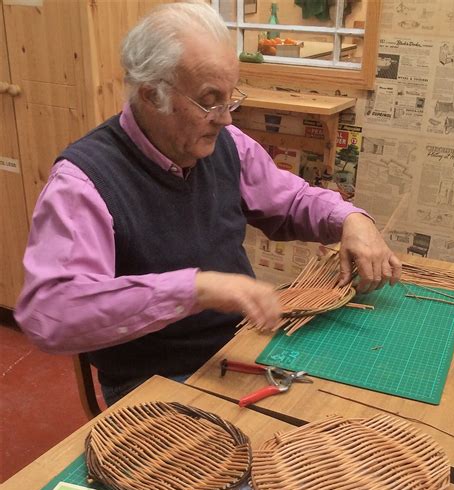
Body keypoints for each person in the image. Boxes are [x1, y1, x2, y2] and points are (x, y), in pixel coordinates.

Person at [14, 1, 401, 406]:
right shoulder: (83, 183)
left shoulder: (226, 145)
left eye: (230, 97)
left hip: (238, 348)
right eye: (209, 100)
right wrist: (193, 289)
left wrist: (351, 219)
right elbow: (50, 314)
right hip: (154, 382)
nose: (226, 118)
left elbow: (292, 200)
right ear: (152, 94)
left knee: (348, 411)